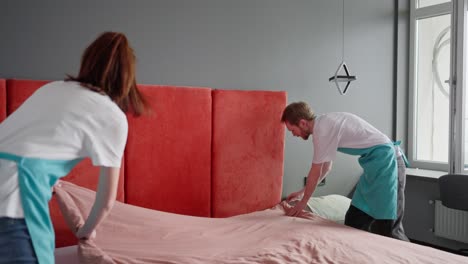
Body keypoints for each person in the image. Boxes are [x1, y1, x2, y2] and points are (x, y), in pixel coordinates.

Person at [0, 31, 149, 263]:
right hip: (14, 199)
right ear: (128, 76)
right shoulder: (111, 116)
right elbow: (106, 200)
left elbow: (21, 144)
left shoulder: (51, 89)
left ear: (87, 61)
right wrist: (86, 231)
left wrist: (50, 179)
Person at [281, 101, 409, 241]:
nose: (293, 134)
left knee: (389, 229)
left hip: (388, 163)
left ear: (303, 123)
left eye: (292, 130)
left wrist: (303, 202)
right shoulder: (324, 125)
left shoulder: (321, 131)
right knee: (354, 221)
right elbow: (326, 167)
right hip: (373, 168)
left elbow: (316, 171)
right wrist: (302, 192)